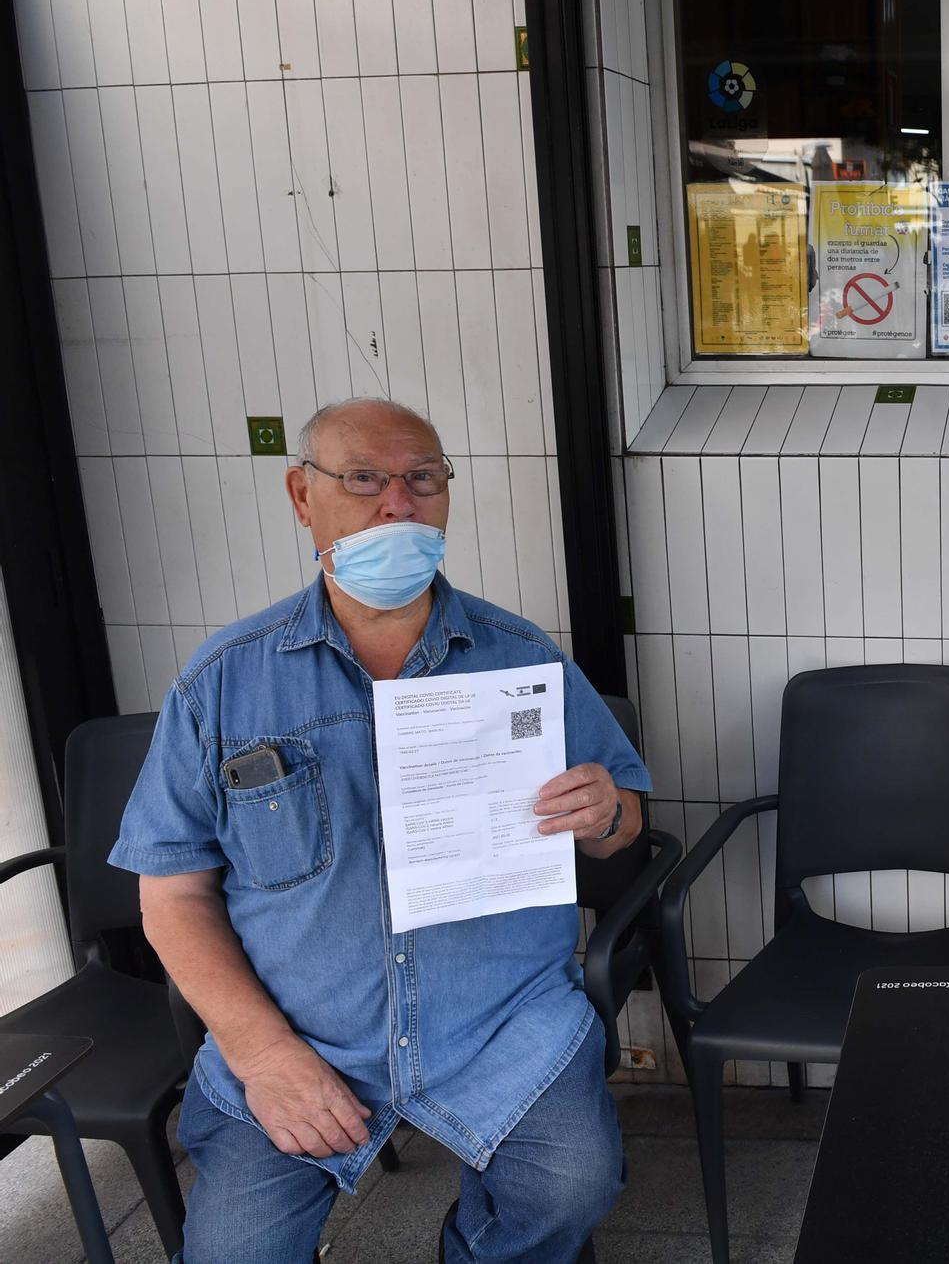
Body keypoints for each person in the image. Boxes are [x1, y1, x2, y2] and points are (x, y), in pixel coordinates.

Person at [111, 398, 650, 1263]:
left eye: (423, 478)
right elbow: (171, 893)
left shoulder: (522, 658)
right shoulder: (222, 684)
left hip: (502, 1023)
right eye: (363, 478)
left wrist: (606, 812)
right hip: (305, 1032)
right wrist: (264, 1052)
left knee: (570, 1185)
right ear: (302, 496)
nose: (398, 502)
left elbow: (626, 822)